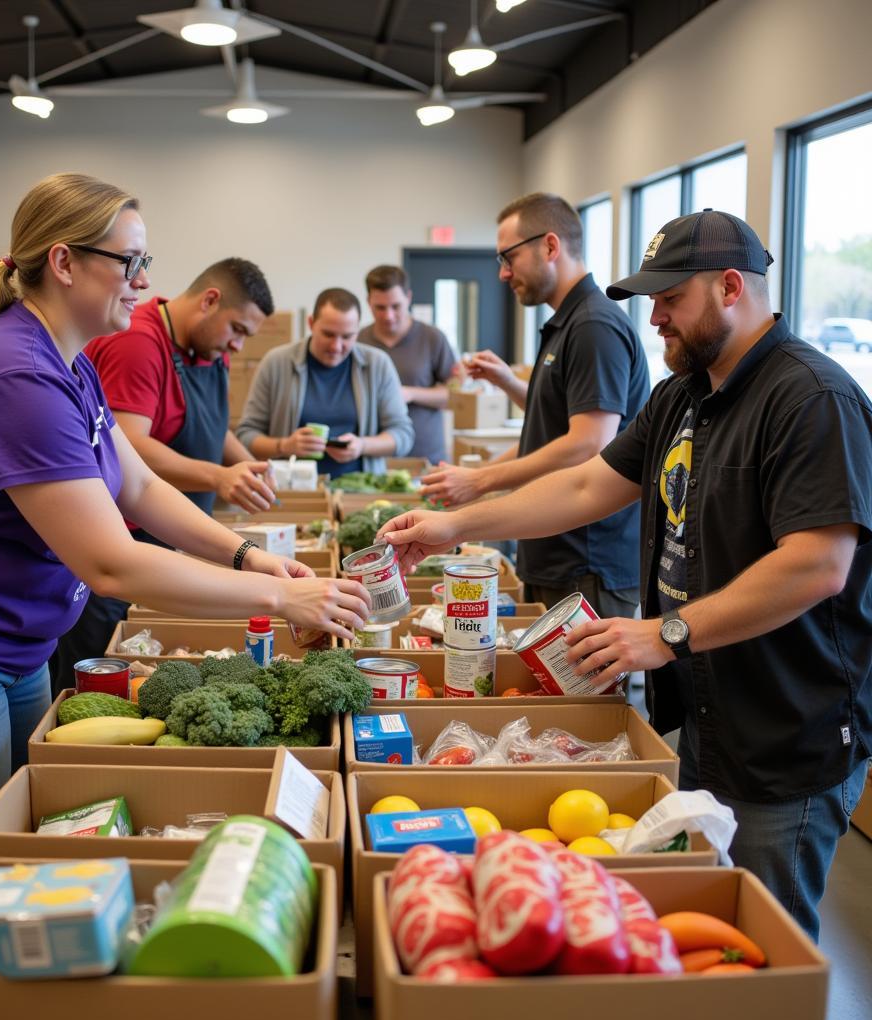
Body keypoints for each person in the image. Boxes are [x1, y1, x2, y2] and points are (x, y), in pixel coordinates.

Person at [0, 173, 370, 944]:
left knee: (15, 863)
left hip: (8, 644)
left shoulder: (67, 357)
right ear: (64, 262)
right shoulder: (19, 372)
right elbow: (112, 564)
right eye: (130, 262)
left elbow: (136, 484)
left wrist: (248, 557)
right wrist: (285, 603)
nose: (147, 281)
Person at [380, 209, 872, 942]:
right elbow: (586, 487)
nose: (654, 319)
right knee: (713, 920)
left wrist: (666, 633)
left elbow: (817, 566)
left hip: (785, 728)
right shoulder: (683, 396)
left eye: (669, 300)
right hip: (707, 712)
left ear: (731, 286)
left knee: (769, 940)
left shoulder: (811, 399)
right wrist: (455, 525)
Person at [50, 258, 278, 693]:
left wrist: (245, 463)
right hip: (123, 538)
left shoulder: (208, 347)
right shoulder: (137, 343)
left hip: (169, 531)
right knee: (98, 678)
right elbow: (131, 448)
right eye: (238, 330)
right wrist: (217, 477)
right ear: (210, 301)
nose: (237, 346)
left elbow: (214, 426)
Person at [421, 193, 650, 620]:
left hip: (586, 556)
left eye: (509, 257)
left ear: (549, 246)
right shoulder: (568, 322)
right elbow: (556, 423)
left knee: (578, 689)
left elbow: (586, 444)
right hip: (555, 547)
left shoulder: (593, 326)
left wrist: (482, 482)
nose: (504, 274)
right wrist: (509, 383)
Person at [236, 287, 414, 479]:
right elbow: (245, 436)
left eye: (347, 337)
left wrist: (362, 445)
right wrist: (285, 446)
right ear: (311, 324)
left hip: (360, 491)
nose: (336, 346)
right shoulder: (276, 362)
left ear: (357, 331)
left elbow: (403, 435)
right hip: (293, 492)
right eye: (328, 334)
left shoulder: (377, 364)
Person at [357, 265, 455, 466]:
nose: (388, 316)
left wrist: (410, 393)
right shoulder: (358, 341)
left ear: (408, 298)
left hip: (425, 456)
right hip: (372, 459)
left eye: (396, 306)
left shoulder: (432, 338)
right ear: (368, 302)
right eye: (380, 308)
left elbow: (454, 397)